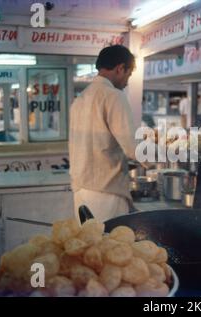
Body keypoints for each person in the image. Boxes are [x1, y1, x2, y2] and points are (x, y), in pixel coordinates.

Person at [69, 45, 138, 223]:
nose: (127, 82)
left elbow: (98, 144)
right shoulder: (114, 96)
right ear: (120, 68)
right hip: (106, 193)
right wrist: (169, 153)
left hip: (81, 190)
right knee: (112, 246)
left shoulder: (81, 98)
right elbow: (133, 148)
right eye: (128, 75)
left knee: (89, 247)